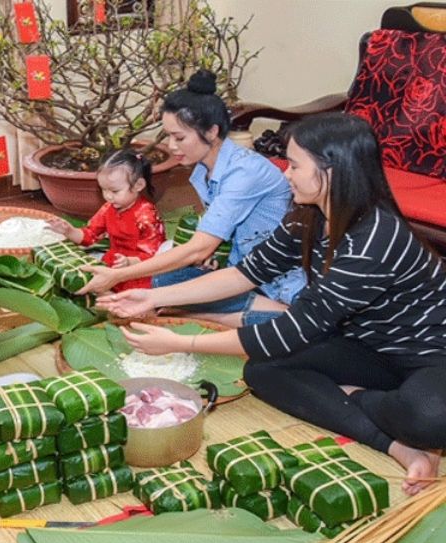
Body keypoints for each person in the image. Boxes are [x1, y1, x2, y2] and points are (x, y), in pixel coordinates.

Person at [97, 113, 446, 496]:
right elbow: (246, 273)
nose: (286, 174)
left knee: (428, 419)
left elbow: (288, 331)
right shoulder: (309, 216)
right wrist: (153, 296)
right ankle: (396, 446)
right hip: (367, 350)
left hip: (429, 357)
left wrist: (179, 342)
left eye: (295, 165)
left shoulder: (374, 240)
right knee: (263, 372)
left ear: (331, 172)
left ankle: (353, 396)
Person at [79, 70, 305, 327]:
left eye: (180, 138)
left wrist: (116, 275)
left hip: (277, 278)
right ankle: (214, 314)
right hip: (241, 267)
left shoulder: (244, 172)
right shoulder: (203, 171)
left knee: (165, 292)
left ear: (211, 132)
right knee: (164, 281)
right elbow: (211, 240)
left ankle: (281, 317)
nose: (172, 147)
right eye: (168, 137)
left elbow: (199, 248)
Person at [48, 148, 165, 291]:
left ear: (138, 185)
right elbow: (90, 235)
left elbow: (156, 256)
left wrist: (129, 262)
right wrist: (68, 231)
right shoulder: (108, 208)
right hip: (114, 262)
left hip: (140, 271)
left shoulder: (147, 215)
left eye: (115, 191)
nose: (108, 196)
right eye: (104, 189)